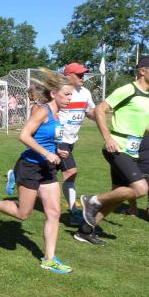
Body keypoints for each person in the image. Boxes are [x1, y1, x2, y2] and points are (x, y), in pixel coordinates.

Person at [0, 71, 77, 274]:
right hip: (30, 166)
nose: (70, 98)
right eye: (66, 94)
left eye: (71, 95)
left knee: (54, 212)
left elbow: (45, 138)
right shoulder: (43, 111)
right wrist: (47, 153)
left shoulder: (58, 114)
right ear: (54, 93)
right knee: (23, 214)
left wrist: (58, 151)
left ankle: (49, 259)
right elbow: (24, 135)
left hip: (47, 169)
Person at [79, 56, 149, 229]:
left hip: (132, 151)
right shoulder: (128, 89)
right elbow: (100, 110)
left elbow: (146, 124)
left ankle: (85, 231)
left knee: (117, 196)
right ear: (142, 71)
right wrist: (108, 138)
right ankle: (92, 200)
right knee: (141, 189)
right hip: (117, 147)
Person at [57, 62, 96, 224]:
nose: (83, 77)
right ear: (68, 76)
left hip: (71, 140)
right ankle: (74, 211)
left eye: (83, 74)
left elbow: (90, 112)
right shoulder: (59, 92)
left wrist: (100, 115)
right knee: (70, 172)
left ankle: (16, 175)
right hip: (58, 139)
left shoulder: (85, 93)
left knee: (43, 171)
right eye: (79, 74)